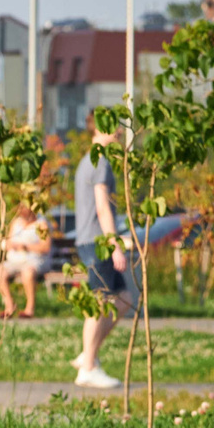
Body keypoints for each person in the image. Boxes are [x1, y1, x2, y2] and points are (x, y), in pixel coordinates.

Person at [72, 128, 132, 389]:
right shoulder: (101, 161)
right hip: (97, 242)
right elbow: (102, 207)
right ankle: (87, 368)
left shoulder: (90, 159)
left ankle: (88, 354)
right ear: (97, 128)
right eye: (113, 127)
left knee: (124, 299)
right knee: (100, 302)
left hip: (92, 240)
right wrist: (114, 245)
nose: (119, 131)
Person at [0, 203, 50, 318]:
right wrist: (13, 245)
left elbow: (46, 247)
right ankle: (9, 305)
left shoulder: (41, 224)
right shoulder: (16, 223)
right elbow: (7, 243)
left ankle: (30, 309)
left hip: (34, 260)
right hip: (14, 260)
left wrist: (26, 247)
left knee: (27, 273)